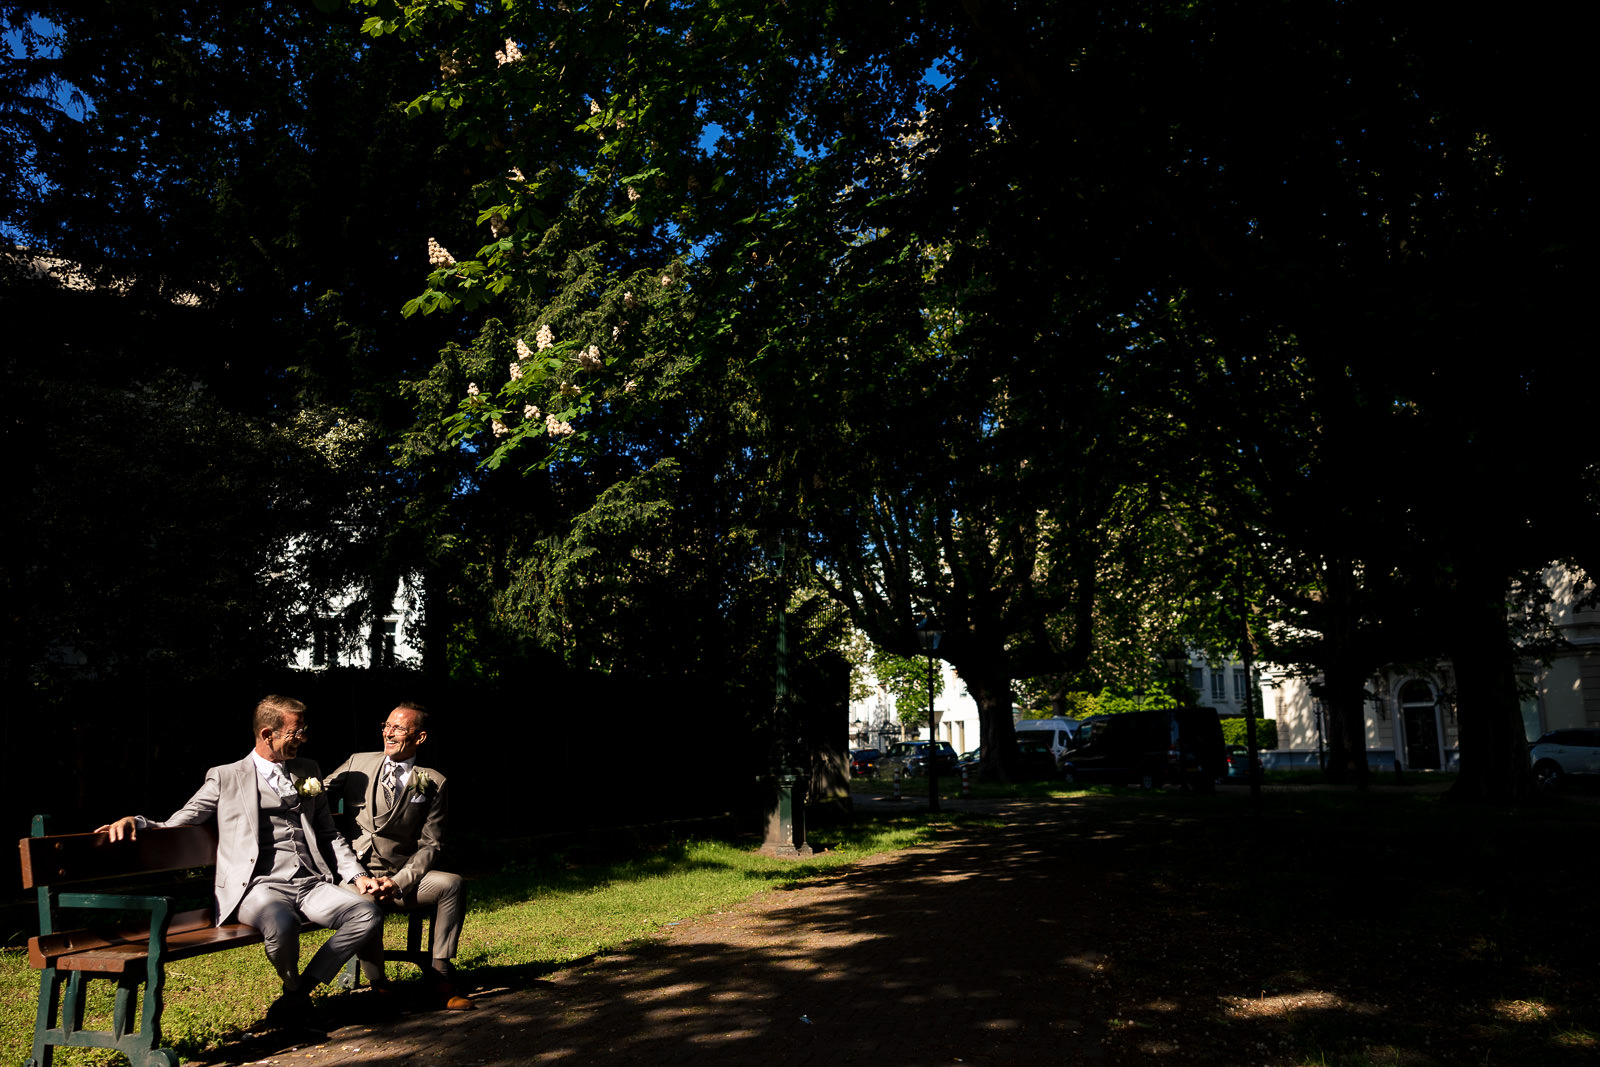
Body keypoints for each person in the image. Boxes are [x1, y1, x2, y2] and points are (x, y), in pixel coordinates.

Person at [98, 694, 384, 1030]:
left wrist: (356, 874)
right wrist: (138, 821)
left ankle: (298, 994)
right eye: (295, 733)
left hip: (310, 882)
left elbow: (328, 832)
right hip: (258, 889)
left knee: (367, 914)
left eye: (304, 732)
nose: (302, 739)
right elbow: (181, 821)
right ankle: (293, 987)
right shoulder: (226, 777)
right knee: (282, 923)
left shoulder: (308, 769)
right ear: (267, 734)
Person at [325, 702, 473, 1010]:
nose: (389, 734)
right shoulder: (357, 763)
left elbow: (431, 844)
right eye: (387, 726)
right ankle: (379, 987)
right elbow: (317, 795)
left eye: (399, 728)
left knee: (452, 884)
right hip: (357, 877)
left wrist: (398, 881)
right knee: (362, 905)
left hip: (402, 877)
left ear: (419, 738)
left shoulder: (433, 781)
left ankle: (440, 976)